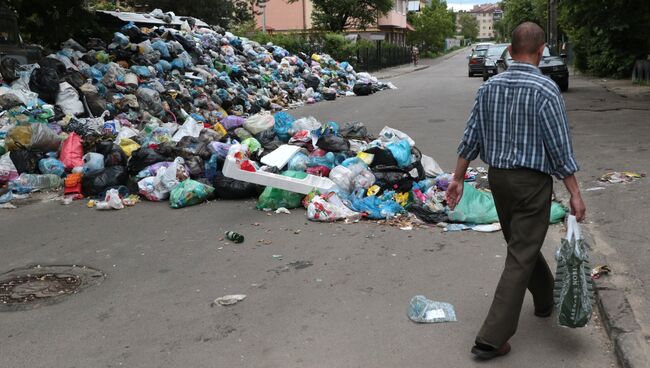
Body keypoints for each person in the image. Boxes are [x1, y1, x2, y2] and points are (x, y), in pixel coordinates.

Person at [445, 22, 586, 360]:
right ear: (542, 52)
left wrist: (458, 177)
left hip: (499, 181)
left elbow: (471, 138)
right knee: (521, 250)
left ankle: (545, 298)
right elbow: (559, 148)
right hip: (530, 183)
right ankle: (491, 338)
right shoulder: (545, 89)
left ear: (509, 51)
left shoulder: (489, 87)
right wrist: (575, 193)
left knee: (521, 244)